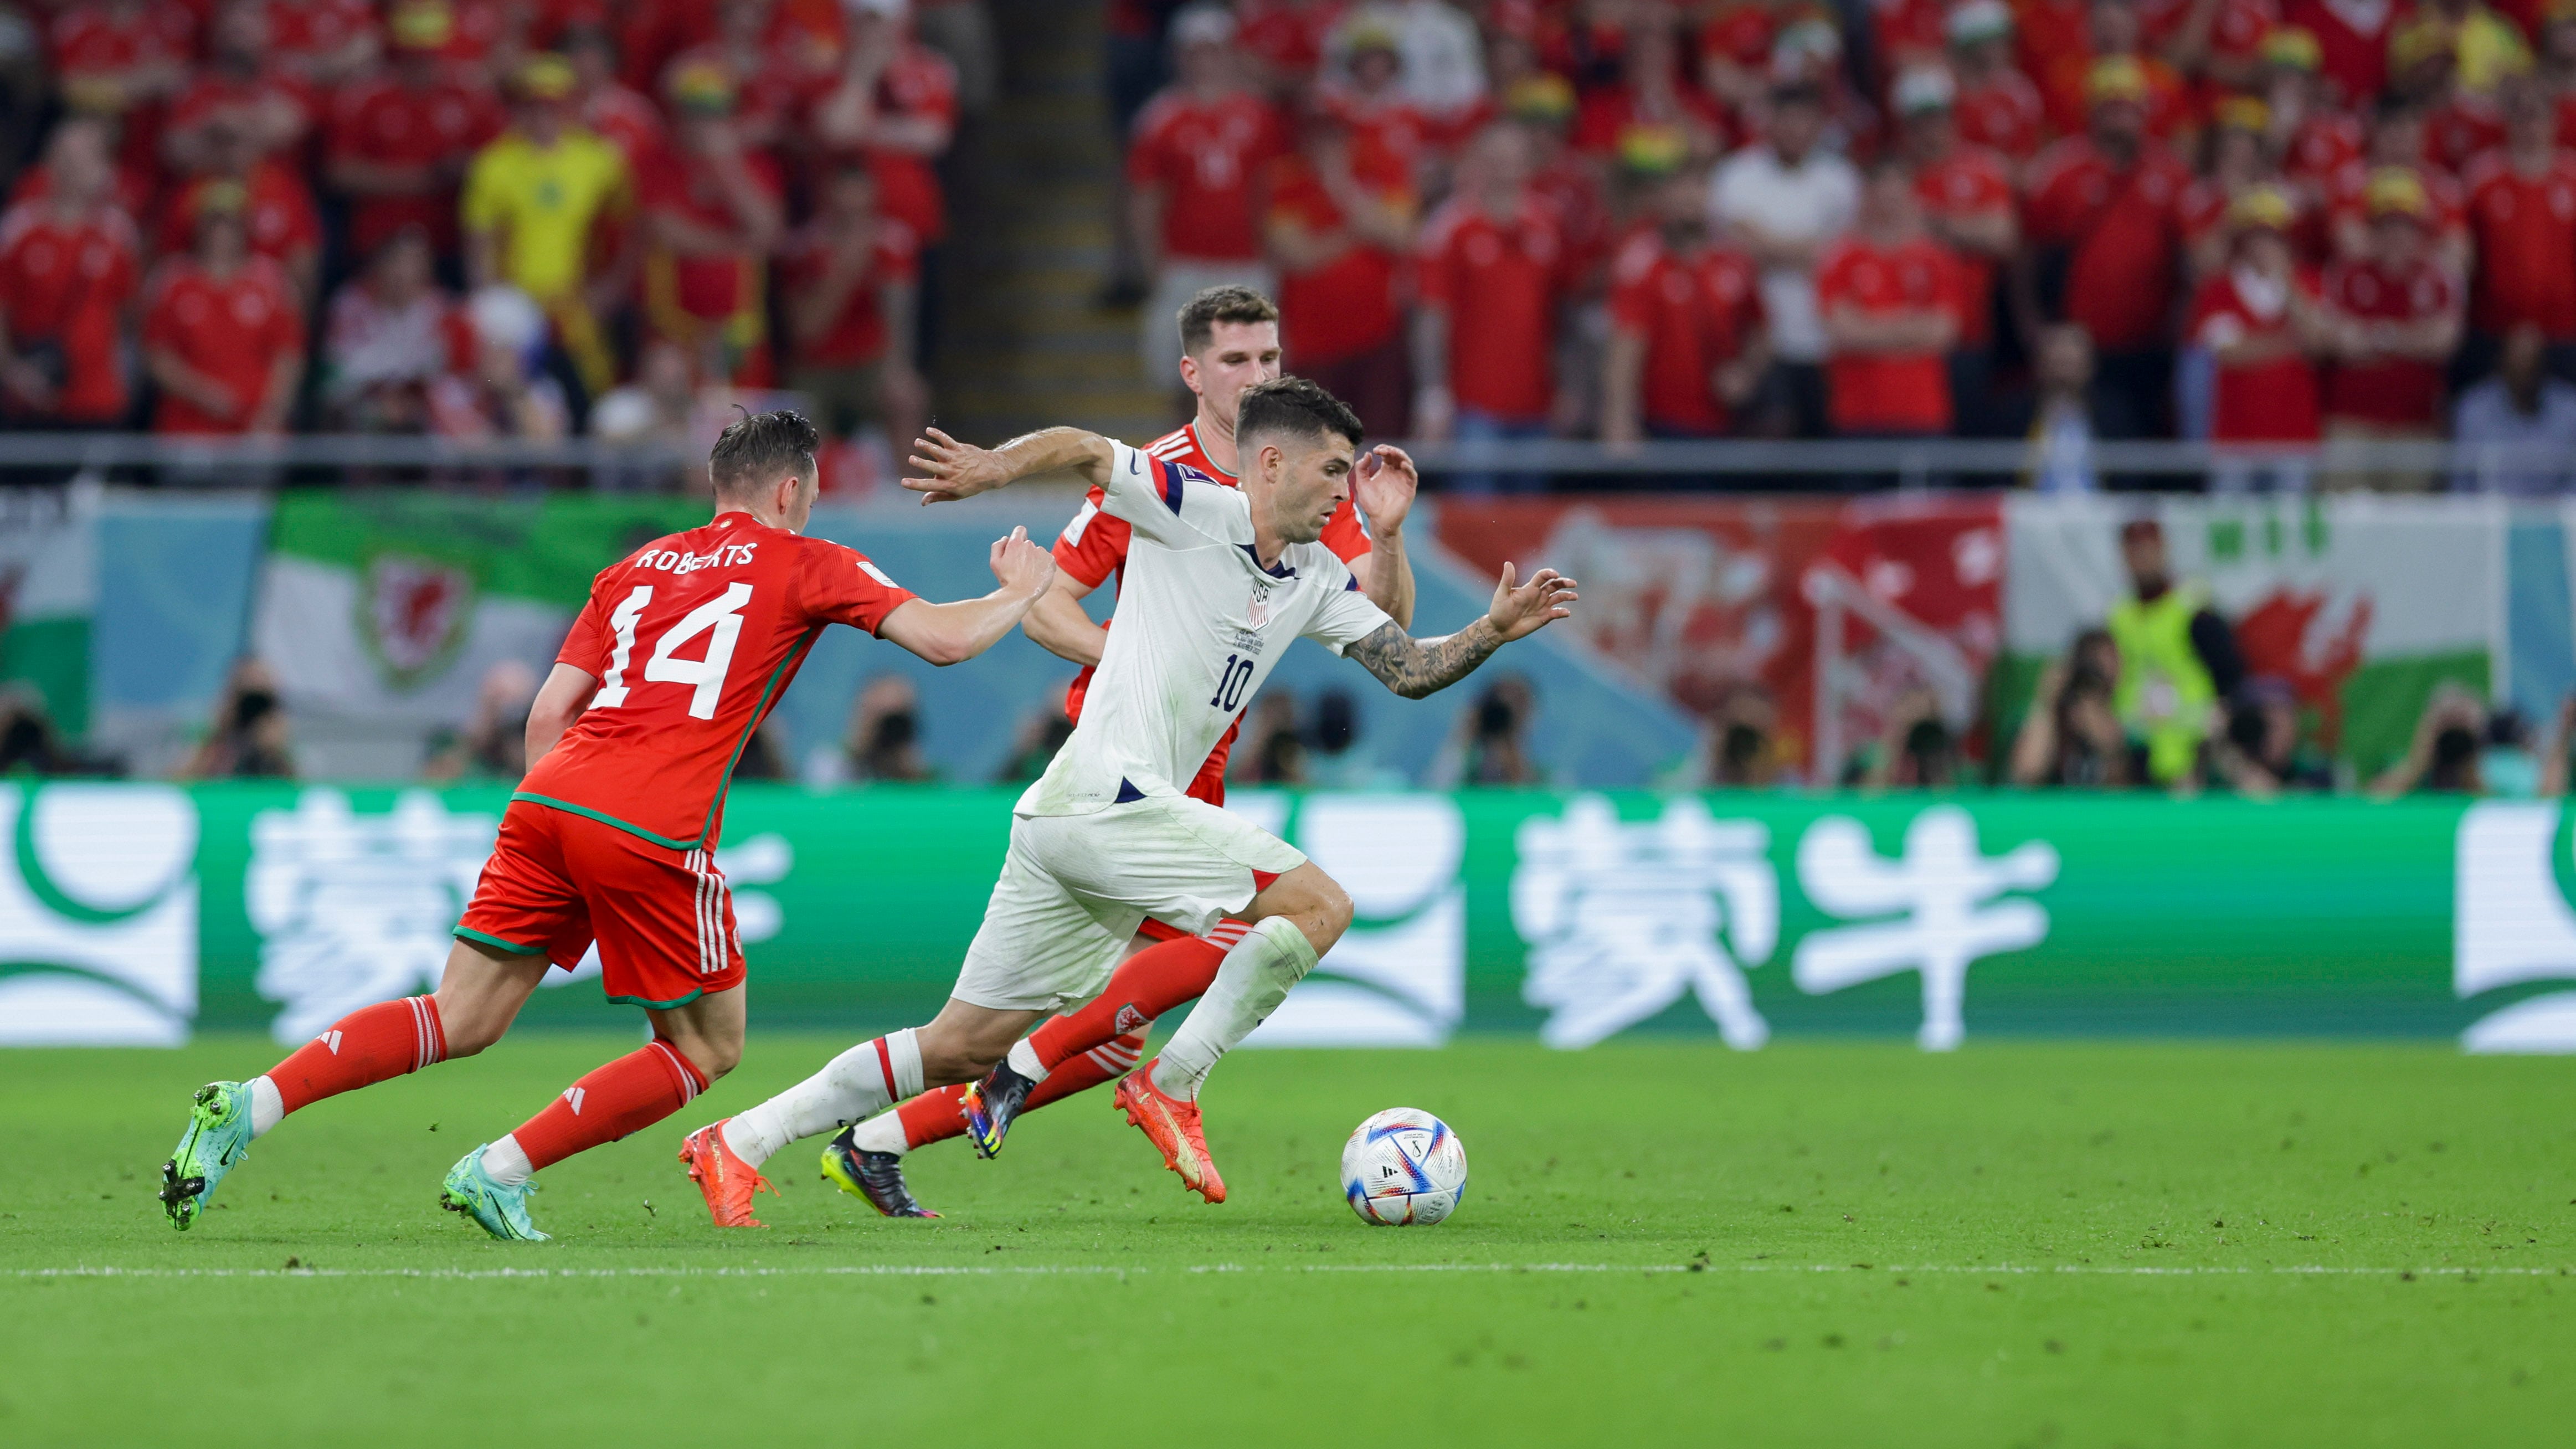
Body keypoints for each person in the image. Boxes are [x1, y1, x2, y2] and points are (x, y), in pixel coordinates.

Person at [680, 379, 1576, 1226]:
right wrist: (995, 467)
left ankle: (740, 1138)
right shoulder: (1198, 510)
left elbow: (1408, 668)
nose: (1347, 489)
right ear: (1271, 466)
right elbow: (1086, 449)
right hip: (1109, 800)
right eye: (1333, 470)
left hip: (1074, 815)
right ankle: (1171, 1084)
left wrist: (1493, 628)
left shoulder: (1309, 573)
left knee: (960, 1046)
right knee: (1317, 904)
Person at [157, 410, 1060, 1241]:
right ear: (791, 492)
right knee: (707, 1046)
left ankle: (253, 1102)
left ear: (720, 487)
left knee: (460, 1013)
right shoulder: (809, 560)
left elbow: (547, 713)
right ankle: (499, 1169)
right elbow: (944, 640)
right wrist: (1022, 590)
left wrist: (565, 830)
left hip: (549, 798)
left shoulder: (631, 569)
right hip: (650, 821)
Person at [824, 294, 1421, 1218]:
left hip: (1205, 763)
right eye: (1236, 360)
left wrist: (1384, 534)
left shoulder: (1307, 480)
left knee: (1111, 1036)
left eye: (1269, 357)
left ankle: (883, 1135)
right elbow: (1052, 603)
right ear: (1193, 374)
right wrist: (1144, 655)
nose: (1258, 375)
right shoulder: (1159, 481)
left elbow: (1390, 639)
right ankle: (998, 1090)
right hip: (1123, 766)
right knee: (1232, 944)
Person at [2020, 58, 2190, 439]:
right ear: (2091, 111)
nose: (2120, 119)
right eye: (2110, 107)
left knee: (2144, 443)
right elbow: (2028, 257)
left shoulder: (2172, 175)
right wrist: (2032, 325)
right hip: (2079, 350)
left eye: (2128, 108)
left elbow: (2188, 260)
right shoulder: (2060, 173)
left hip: (2150, 343)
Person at [1125, 5, 1289, 404]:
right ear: (1179, 57)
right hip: (1185, 266)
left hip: (1246, 264)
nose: (1205, 62)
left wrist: (1274, 258)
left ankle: (1236, 469)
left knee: (1250, 390)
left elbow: (1270, 192)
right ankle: (1179, 466)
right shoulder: (1160, 119)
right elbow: (1146, 199)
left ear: (1229, 53)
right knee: (1184, 380)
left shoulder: (1258, 116)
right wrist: (1154, 269)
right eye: (1195, 52)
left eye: (1213, 51)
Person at [460, 54, 634, 399]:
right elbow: (478, 247)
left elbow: (629, 231)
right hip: (518, 308)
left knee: (593, 396)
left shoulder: (599, 162)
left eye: (553, 106)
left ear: (570, 107)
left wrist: (612, 288)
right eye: (533, 107)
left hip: (579, 306)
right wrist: (492, 313)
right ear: (519, 110)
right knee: (518, 399)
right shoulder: (494, 165)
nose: (543, 117)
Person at [1413, 121, 1571, 480]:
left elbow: (1560, 312)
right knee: (1477, 516)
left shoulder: (1548, 223)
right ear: (1478, 162)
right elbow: (1432, 315)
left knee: (1530, 521)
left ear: (1529, 163)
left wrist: (1567, 385)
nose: (1505, 167)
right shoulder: (1450, 228)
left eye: (1514, 158)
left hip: (1536, 400)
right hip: (1474, 402)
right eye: (1495, 158)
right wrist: (1432, 393)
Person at [1709, 82, 1859, 439]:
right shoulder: (1737, 175)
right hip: (1759, 340)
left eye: (1804, 120)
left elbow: (1846, 253)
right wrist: (1812, 247)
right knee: (1765, 450)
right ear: (1768, 123)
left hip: (1825, 338)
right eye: (1786, 121)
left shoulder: (1841, 179)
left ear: (1819, 124)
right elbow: (1734, 250)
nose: (1794, 130)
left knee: (1825, 453)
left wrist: (1766, 243)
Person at [1265, 102, 1416, 439]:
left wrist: (1342, 186)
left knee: (1382, 437)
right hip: (1312, 341)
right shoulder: (1287, 180)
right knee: (1315, 441)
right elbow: (1298, 255)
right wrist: (1361, 231)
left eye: (1337, 137)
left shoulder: (1380, 172)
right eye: (1320, 138)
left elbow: (1401, 237)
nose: (1329, 147)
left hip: (1378, 335)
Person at [640, 59, 785, 385]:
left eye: (713, 112)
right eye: (694, 112)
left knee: (748, 427)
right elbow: (669, 233)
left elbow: (770, 231)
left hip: (741, 334)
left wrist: (726, 164)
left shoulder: (754, 165)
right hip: (673, 332)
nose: (703, 123)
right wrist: (741, 243)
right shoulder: (658, 162)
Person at [325, 0, 504, 264]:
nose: (423, 65)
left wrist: (468, 166)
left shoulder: (468, 96)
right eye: (413, 57)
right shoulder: (367, 98)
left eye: (430, 56)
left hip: (448, 241)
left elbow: (504, 158)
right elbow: (338, 172)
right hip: (379, 243)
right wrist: (422, 180)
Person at [1601, 166, 1767, 445]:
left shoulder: (1734, 261)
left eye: (1697, 188)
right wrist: (1620, 417)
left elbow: (1760, 330)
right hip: (1663, 420)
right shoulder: (1643, 262)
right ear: (1663, 199)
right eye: (1679, 190)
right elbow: (1627, 344)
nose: (1689, 199)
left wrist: (1746, 372)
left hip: (1726, 419)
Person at [1896, 67, 2017, 438]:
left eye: (1937, 118)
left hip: (1971, 329)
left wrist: (1932, 224)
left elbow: (2001, 235)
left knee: (1968, 429)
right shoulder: (1896, 178)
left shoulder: (1980, 170)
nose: (1930, 130)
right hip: (1909, 334)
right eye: (1920, 122)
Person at [2319, 169, 2464, 476]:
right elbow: (2337, 341)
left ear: (2419, 231)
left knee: (2410, 519)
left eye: (2405, 226)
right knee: (2344, 514)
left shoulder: (2437, 278)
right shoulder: (2347, 275)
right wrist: (2411, 339)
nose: (2397, 235)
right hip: (2352, 423)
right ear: (2373, 229)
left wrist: (2377, 337)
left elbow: (2443, 342)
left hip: (2415, 425)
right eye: (2388, 225)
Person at [0, 119, 140, 427]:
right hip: (30, 394)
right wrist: (12, 373)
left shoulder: (118, 234)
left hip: (99, 396)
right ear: (51, 163)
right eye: (69, 157)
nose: (77, 169)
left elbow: (128, 317)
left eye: (88, 157)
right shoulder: (19, 231)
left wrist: (123, 375)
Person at [2187, 186, 2332, 475]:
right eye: (2258, 236)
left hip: (2295, 435)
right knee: (2230, 519)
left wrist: (2289, 286)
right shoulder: (2218, 290)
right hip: (2235, 438)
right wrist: (2290, 342)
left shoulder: (2309, 284)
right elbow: (2229, 354)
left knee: (2293, 519)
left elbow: (2319, 344)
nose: (2266, 245)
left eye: (2274, 236)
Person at [1818, 160, 1964, 443]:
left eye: (1896, 190)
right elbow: (1843, 332)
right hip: (1858, 413)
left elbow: (1944, 333)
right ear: (1866, 196)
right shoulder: (1841, 259)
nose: (1889, 200)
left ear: (1911, 195)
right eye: (1880, 190)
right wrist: (1912, 324)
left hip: (1922, 412)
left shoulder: (1936, 260)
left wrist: (1871, 326)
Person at [142, 195, 304, 436]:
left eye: (230, 225)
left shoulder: (271, 281)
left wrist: (272, 412)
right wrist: (201, 393)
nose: (221, 234)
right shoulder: (172, 281)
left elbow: (288, 354)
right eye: (214, 225)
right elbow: (158, 354)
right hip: (188, 428)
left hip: (256, 430)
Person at [2108, 517, 2244, 785]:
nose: (2142, 560)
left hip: (2190, 724)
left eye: (2148, 550)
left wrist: (2221, 709)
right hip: (2136, 727)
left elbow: (2227, 667)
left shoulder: (2191, 606)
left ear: (2163, 551)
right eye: (2134, 551)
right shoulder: (2118, 615)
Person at [2462, 85, 2576, 382]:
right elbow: (2464, 251)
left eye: (2538, 118)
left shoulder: (2572, 177)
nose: (2530, 127)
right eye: (2522, 118)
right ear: (2508, 122)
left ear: (2555, 122)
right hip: (2494, 329)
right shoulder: (2482, 177)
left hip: (2564, 330)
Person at [319, 227, 474, 431]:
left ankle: (454, 463)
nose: (405, 272)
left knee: (448, 398)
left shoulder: (445, 310)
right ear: (379, 264)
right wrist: (384, 390)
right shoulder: (349, 305)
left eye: (415, 263)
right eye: (398, 261)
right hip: (367, 400)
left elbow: (453, 372)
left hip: (423, 405)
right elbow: (337, 372)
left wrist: (410, 394)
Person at [2450, 321, 2576, 491]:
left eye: (2531, 364)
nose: (2524, 373)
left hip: (2554, 514)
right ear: (2502, 364)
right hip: (2488, 513)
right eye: (2517, 363)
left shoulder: (2570, 410)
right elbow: (2462, 483)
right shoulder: (2474, 408)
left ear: (2544, 366)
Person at [183, 658, 296, 779]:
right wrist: (219, 734)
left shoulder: (284, 738)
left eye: (260, 702)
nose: (252, 709)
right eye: (247, 701)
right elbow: (175, 785)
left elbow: (301, 787)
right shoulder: (206, 733)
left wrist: (274, 751)